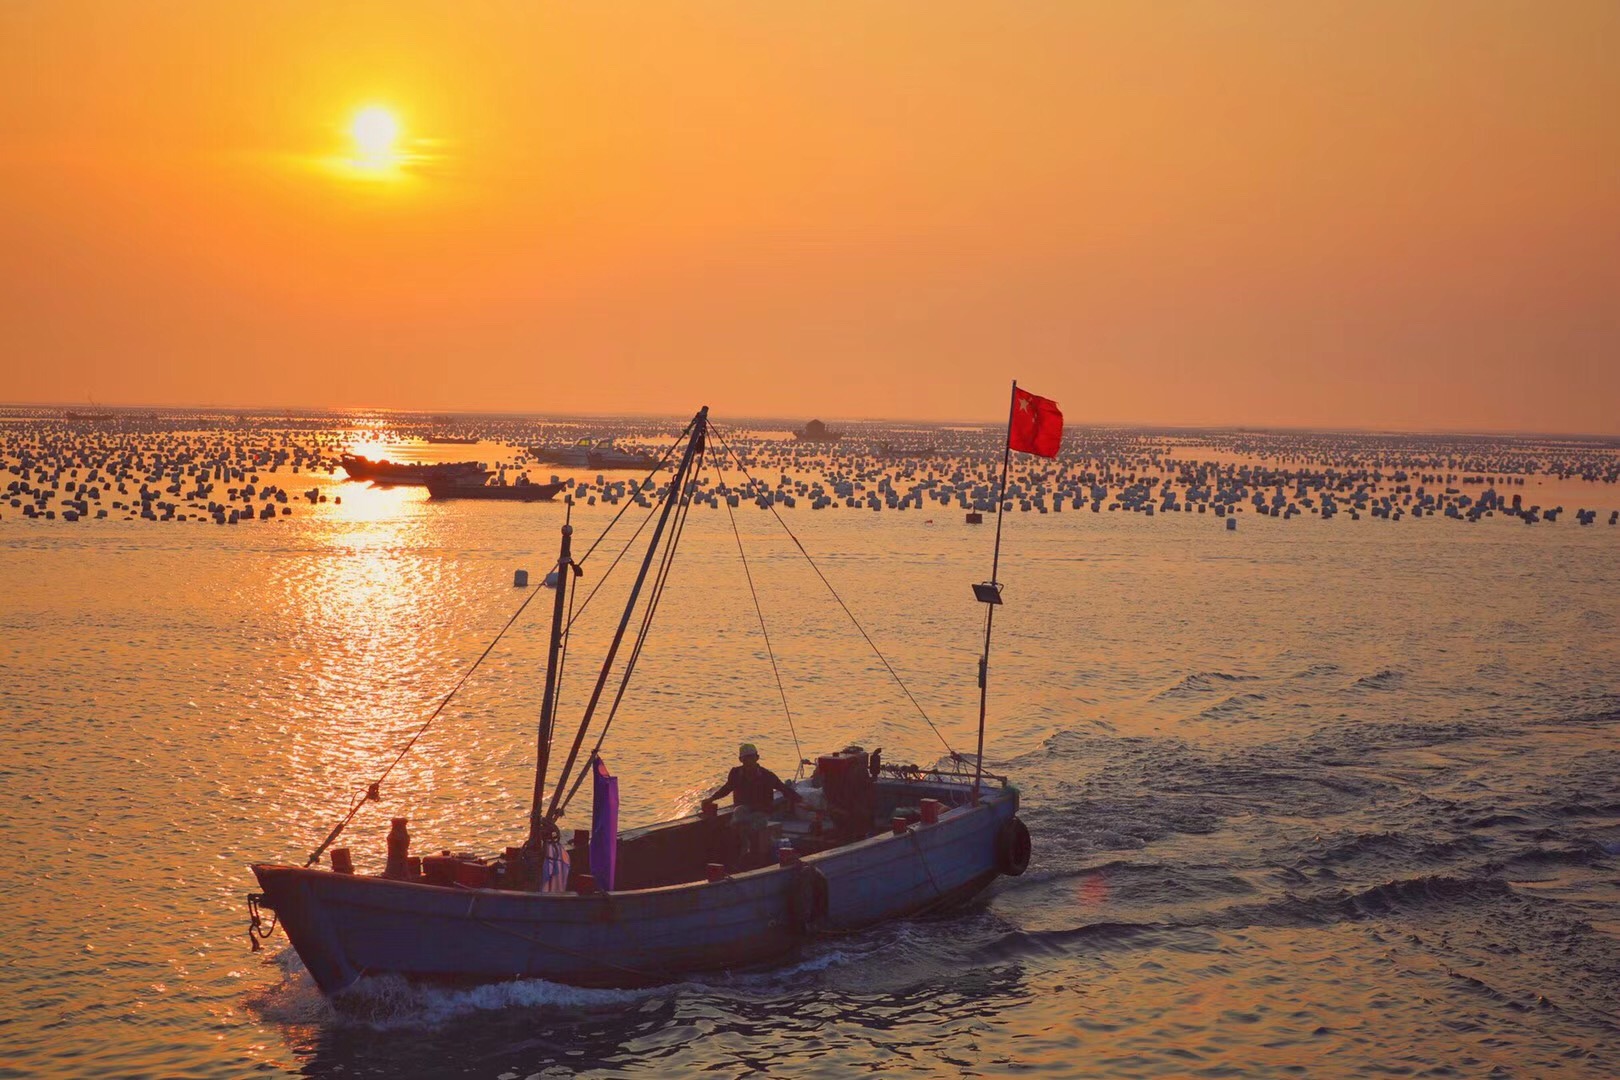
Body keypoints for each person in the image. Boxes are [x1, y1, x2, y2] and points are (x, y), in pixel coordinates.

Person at [710, 743, 798, 868]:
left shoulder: (767, 776)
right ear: (741, 760)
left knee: (753, 826)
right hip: (743, 810)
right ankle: (737, 855)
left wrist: (800, 800)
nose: (749, 761)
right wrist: (711, 799)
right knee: (737, 817)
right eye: (746, 758)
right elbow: (726, 788)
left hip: (762, 812)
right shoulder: (735, 773)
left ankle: (751, 858)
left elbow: (784, 789)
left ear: (757, 757)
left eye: (751, 757)